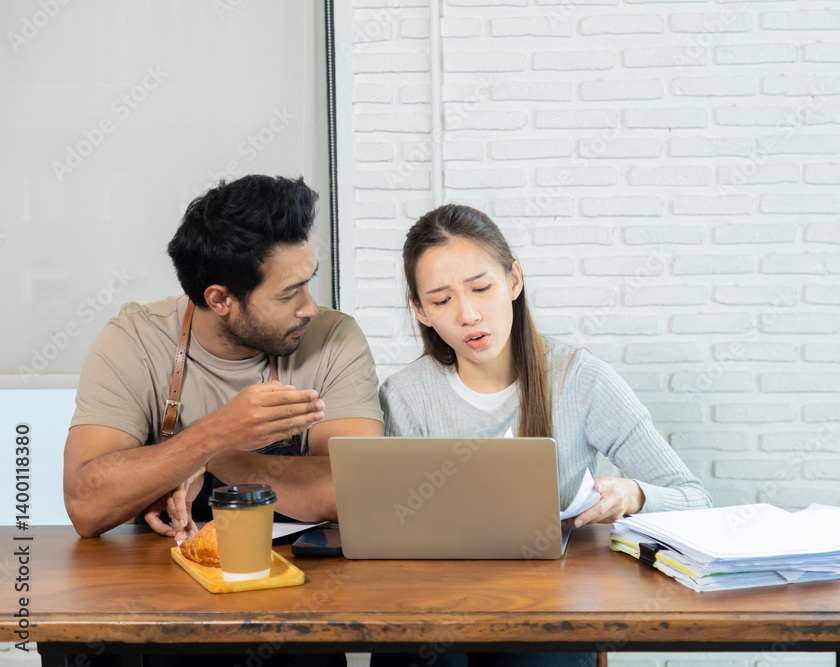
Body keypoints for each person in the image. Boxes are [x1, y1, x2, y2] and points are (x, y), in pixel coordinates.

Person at [374, 204, 712, 667]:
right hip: (437, 603)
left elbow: (694, 499)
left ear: (513, 281)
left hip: (547, 604)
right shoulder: (405, 396)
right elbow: (389, 532)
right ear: (421, 311)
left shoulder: (581, 380)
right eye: (441, 299)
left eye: (481, 288)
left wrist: (632, 494)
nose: (468, 314)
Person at [64, 174, 384, 541]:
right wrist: (213, 434)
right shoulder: (135, 340)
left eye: (308, 281)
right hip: (164, 574)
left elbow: (358, 493)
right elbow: (85, 507)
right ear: (219, 300)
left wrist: (216, 457)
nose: (309, 308)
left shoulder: (335, 339)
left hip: (301, 574)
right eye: (288, 294)